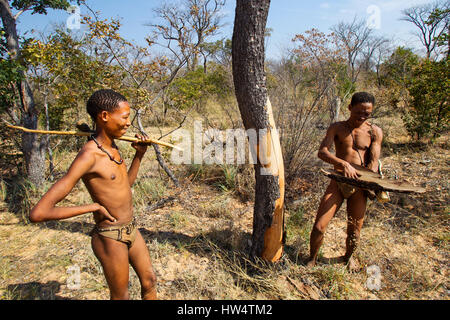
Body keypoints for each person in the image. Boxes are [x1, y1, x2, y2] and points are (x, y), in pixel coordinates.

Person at [30, 89, 157, 299]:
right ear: (104, 116)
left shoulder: (113, 147)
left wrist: (139, 156)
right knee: (121, 296)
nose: (128, 123)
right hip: (110, 236)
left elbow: (125, 185)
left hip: (131, 229)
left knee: (149, 281)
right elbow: (39, 213)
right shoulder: (89, 155)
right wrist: (93, 207)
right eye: (125, 117)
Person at [306, 92, 383, 271]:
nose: (362, 117)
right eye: (358, 112)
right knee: (319, 227)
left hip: (360, 186)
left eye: (367, 113)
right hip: (338, 182)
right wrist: (343, 164)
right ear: (350, 108)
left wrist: (370, 181)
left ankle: (349, 258)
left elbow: (373, 159)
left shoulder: (375, 131)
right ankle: (312, 259)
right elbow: (322, 152)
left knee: (354, 231)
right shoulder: (337, 127)